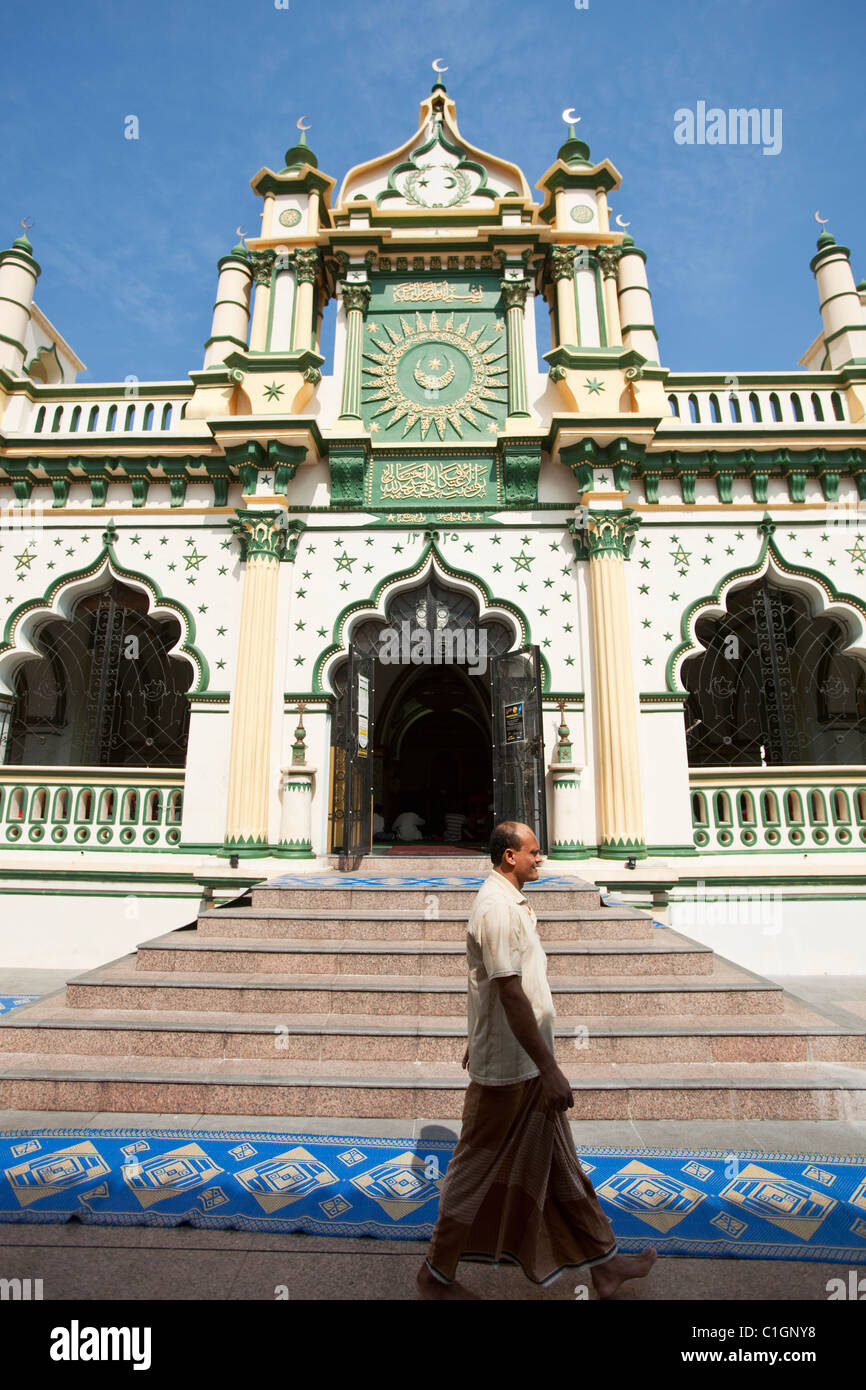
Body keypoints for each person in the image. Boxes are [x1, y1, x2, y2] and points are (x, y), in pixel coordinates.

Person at [417, 820, 658, 1299]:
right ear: (510, 856)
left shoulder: (510, 902)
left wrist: (485, 1036)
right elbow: (506, 990)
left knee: (562, 1165)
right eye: (532, 850)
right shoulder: (497, 909)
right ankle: (434, 1277)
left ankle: (605, 1265)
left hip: (521, 1058)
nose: (540, 856)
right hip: (511, 1071)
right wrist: (549, 1068)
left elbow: (494, 987)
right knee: (471, 1168)